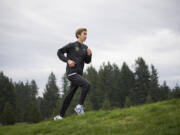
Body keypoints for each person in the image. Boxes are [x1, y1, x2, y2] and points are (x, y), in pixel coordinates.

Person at [54, 28, 92, 120]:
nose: (86, 36)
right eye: (84, 34)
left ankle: (60, 116)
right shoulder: (71, 45)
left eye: (86, 34)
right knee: (87, 85)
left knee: (69, 95)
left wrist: (89, 55)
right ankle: (79, 106)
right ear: (78, 35)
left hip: (79, 74)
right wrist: (68, 61)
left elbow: (87, 61)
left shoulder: (85, 48)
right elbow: (59, 52)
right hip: (72, 73)